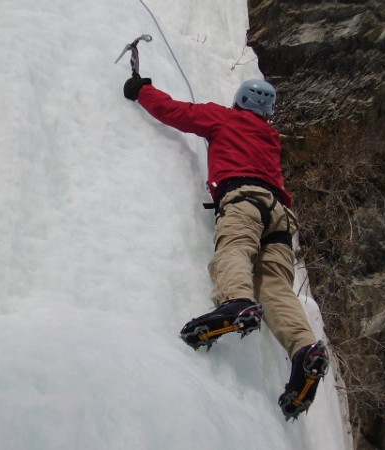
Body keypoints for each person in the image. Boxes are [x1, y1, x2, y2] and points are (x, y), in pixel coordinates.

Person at [123, 74, 329, 421]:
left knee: (234, 249)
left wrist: (141, 89)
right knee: (276, 287)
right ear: (268, 112)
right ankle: (304, 349)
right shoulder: (271, 136)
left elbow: (176, 111)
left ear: (239, 102)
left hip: (243, 199)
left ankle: (236, 303)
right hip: (281, 216)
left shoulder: (224, 117)